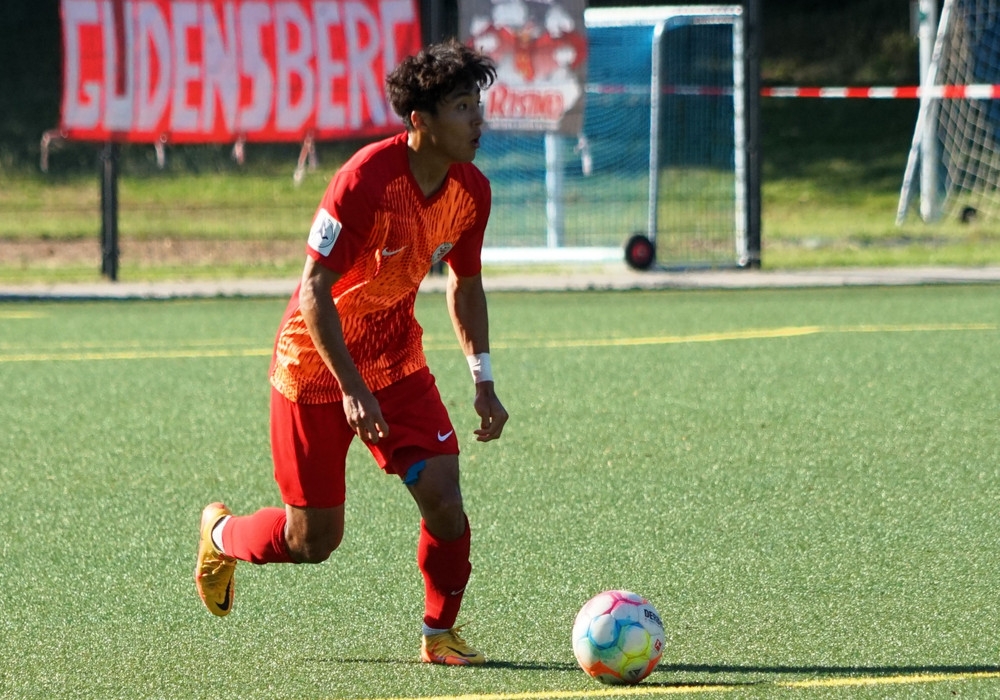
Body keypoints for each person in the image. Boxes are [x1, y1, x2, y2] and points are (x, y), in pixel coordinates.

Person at [194, 38, 507, 666]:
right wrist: (351, 389)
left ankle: (439, 633)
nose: (477, 120)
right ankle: (221, 535)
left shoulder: (472, 190)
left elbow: (465, 284)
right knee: (312, 540)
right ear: (420, 121)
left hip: (395, 360)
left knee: (445, 500)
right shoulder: (363, 180)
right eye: (461, 107)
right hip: (314, 367)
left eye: (478, 104)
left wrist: (483, 378)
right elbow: (313, 290)